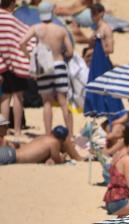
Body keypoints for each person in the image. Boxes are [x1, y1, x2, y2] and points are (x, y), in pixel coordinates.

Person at [19, 7, 74, 135]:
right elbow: (70, 52)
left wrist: (31, 57)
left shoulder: (36, 28)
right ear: (52, 13)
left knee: (47, 102)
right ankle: (70, 135)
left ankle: (48, 134)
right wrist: (63, 55)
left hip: (44, 67)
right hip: (59, 64)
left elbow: (22, 43)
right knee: (63, 102)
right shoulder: (61, 29)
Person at [1, 0, 30, 137]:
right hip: (15, 62)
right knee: (18, 96)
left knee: (5, 97)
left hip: (2, 65)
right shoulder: (12, 20)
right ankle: (17, 130)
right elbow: (25, 36)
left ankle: (4, 131)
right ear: (11, 4)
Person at [0, 125, 84, 166]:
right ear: (62, 140)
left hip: (9, 152)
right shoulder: (54, 142)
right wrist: (63, 157)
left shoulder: (44, 137)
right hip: (11, 157)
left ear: (52, 132)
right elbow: (57, 160)